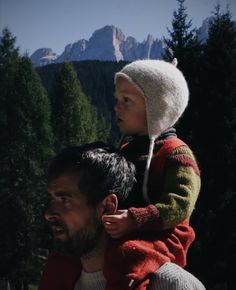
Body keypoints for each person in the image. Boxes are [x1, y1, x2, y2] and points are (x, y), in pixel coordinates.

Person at [38, 144, 205, 290]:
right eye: (51, 200)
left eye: (64, 200)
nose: (49, 214)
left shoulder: (172, 285)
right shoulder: (57, 281)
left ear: (107, 207)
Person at [100, 59, 201, 288]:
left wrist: (135, 219)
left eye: (126, 100)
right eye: (117, 99)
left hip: (165, 236)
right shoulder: (127, 149)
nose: (116, 107)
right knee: (68, 254)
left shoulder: (176, 152)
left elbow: (180, 205)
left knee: (128, 254)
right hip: (127, 228)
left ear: (157, 106)